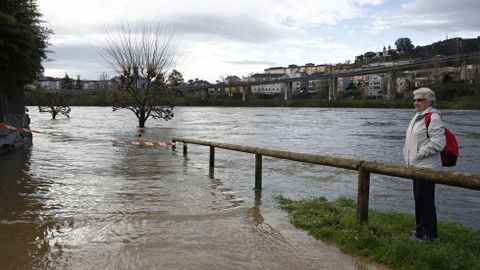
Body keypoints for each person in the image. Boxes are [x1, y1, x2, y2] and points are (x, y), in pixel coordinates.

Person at [403, 87, 446, 241]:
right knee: (420, 199)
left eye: (420, 100)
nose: (416, 102)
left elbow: (439, 143)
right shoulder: (417, 117)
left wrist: (418, 155)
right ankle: (422, 230)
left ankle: (427, 235)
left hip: (427, 168)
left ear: (429, 101)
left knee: (425, 201)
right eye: (415, 99)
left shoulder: (433, 117)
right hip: (417, 166)